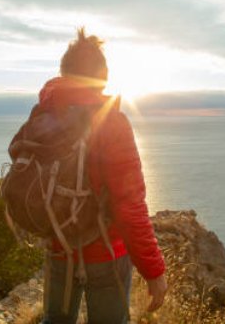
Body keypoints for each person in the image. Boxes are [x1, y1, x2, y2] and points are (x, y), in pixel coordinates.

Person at [19, 28, 167, 324]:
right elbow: (130, 205)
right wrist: (154, 272)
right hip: (107, 255)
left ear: (64, 72)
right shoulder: (112, 122)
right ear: (102, 78)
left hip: (59, 246)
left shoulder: (44, 113)